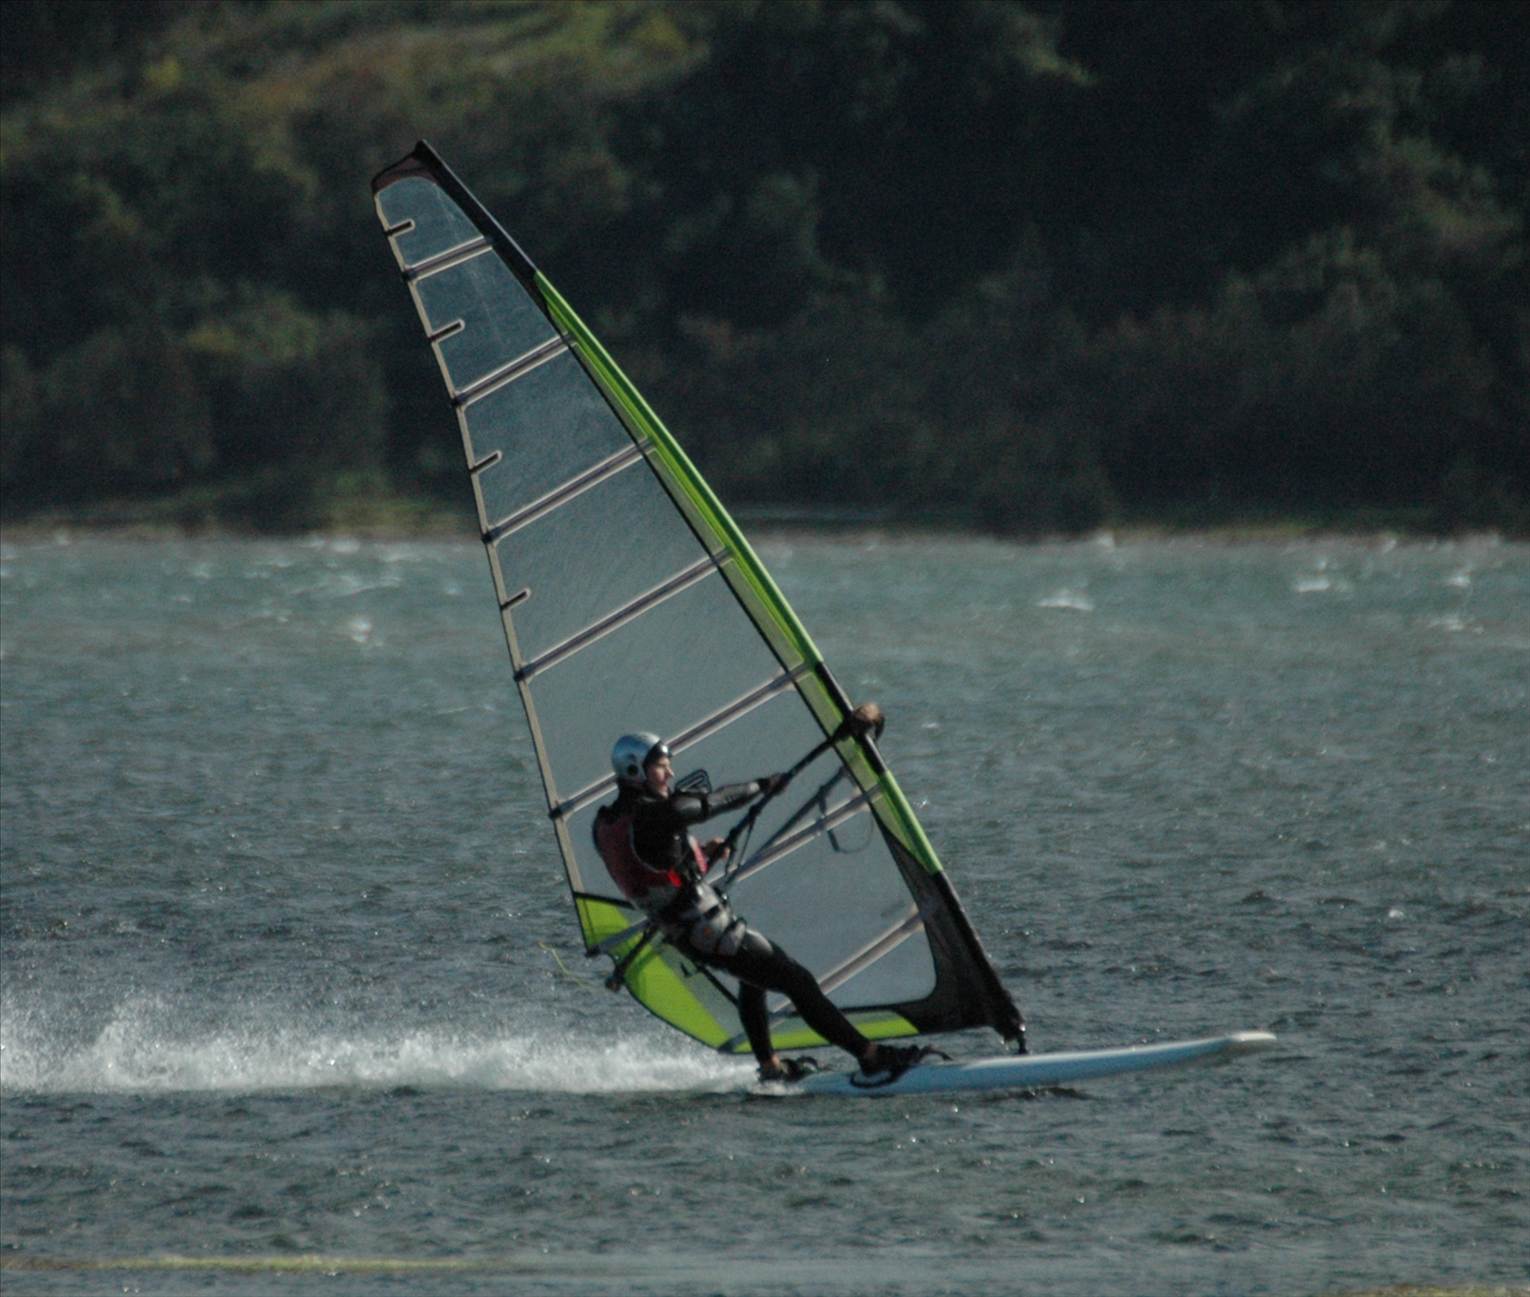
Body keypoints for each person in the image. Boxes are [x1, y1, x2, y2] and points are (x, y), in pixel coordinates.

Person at [593, 731, 930, 1084]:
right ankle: (871, 1057)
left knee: (754, 979)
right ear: (635, 770)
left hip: (687, 929)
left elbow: (648, 868)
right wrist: (762, 786)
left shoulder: (607, 823)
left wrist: (699, 856)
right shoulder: (653, 815)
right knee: (797, 981)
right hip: (708, 931)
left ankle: (770, 1067)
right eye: (661, 767)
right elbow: (711, 803)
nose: (670, 774)